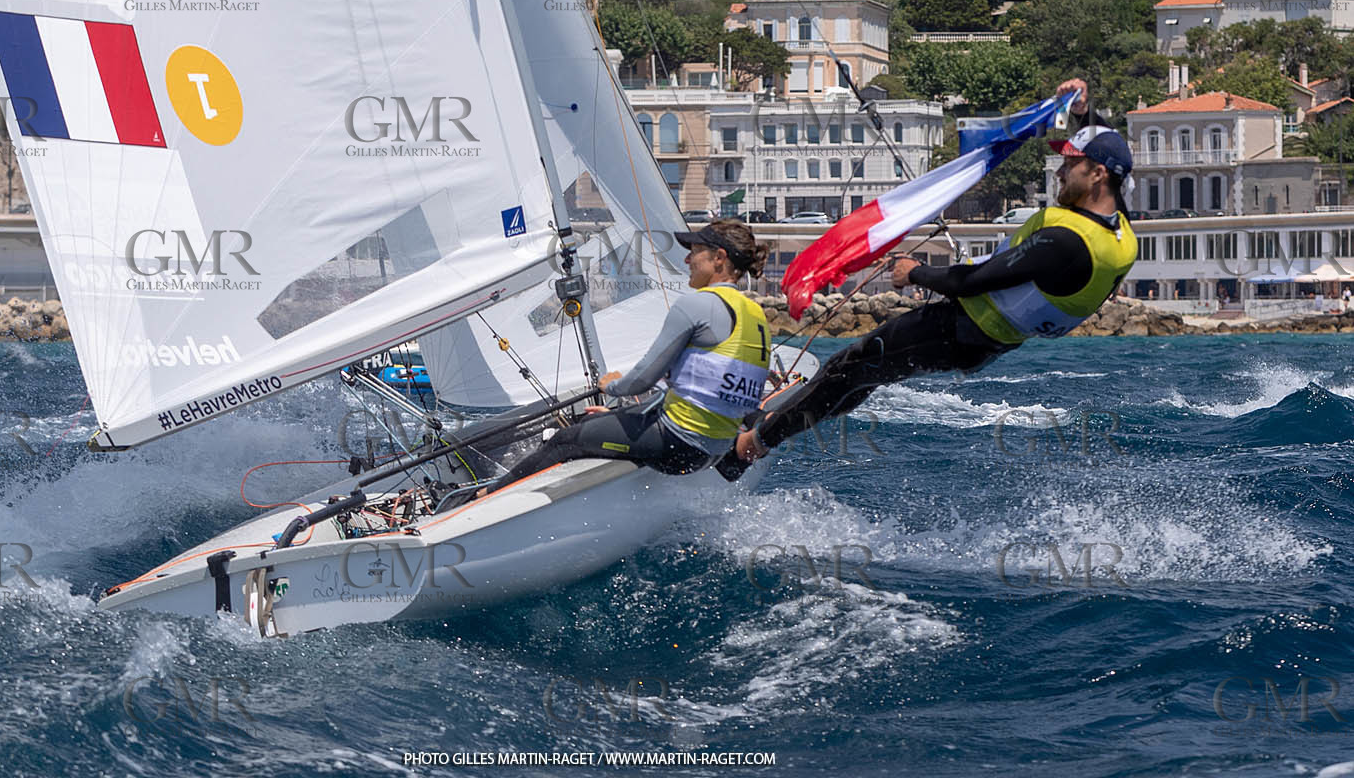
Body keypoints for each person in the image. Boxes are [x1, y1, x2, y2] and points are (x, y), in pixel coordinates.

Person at [730, 79, 1138, 466]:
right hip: (983, 341)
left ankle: (751, 446)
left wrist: (915, 272)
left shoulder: (1067, 242)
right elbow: (1112, 158)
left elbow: (970, 283)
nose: (1060, 171)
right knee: (860, 375)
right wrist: (1085, 113)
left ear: (1097, 174)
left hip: (960, 329)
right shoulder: (1120, 231)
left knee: (850, 367)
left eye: (1070, 163)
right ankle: (770, 430)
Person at [478, 219, 772, 494]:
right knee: (593, 421)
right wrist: (620, 417)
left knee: (564, 440)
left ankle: (485, 497)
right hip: (716, 449)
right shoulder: (756, 315)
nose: (687, 261)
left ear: (719, 257)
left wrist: (613, 387)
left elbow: (643, 379)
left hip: (677, 444)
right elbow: (707, 389)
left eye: (694, 252)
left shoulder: (698, 305)